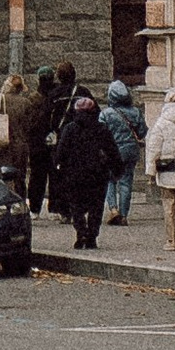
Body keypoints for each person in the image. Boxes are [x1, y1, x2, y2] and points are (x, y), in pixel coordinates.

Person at [49, 89, 119, 252]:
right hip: (97, 174)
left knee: (76, 206)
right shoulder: (101, 129)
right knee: (96, 206)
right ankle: (92, 236)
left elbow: (60, 153)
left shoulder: (69, 129)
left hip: (74, 175)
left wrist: (58, 167)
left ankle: (81, 234)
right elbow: (112, 151)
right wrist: (116, 169)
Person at [29, 60, 78, 214]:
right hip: (60, 140)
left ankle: (35, 208)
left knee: (37, 177)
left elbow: (35, 121)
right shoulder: (65, 93)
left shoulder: (34, 98)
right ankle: (55, 208)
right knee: (56, 175)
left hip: (39, 142)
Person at [103, 75, 146, 226]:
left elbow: (100, 133)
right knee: (126, 182)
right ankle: (124, 215)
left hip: (112, 151)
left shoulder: (106, 113)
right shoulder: (135, 112)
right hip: (131, 150)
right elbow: (142, 132)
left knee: (110, 180)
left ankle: (113, 209)